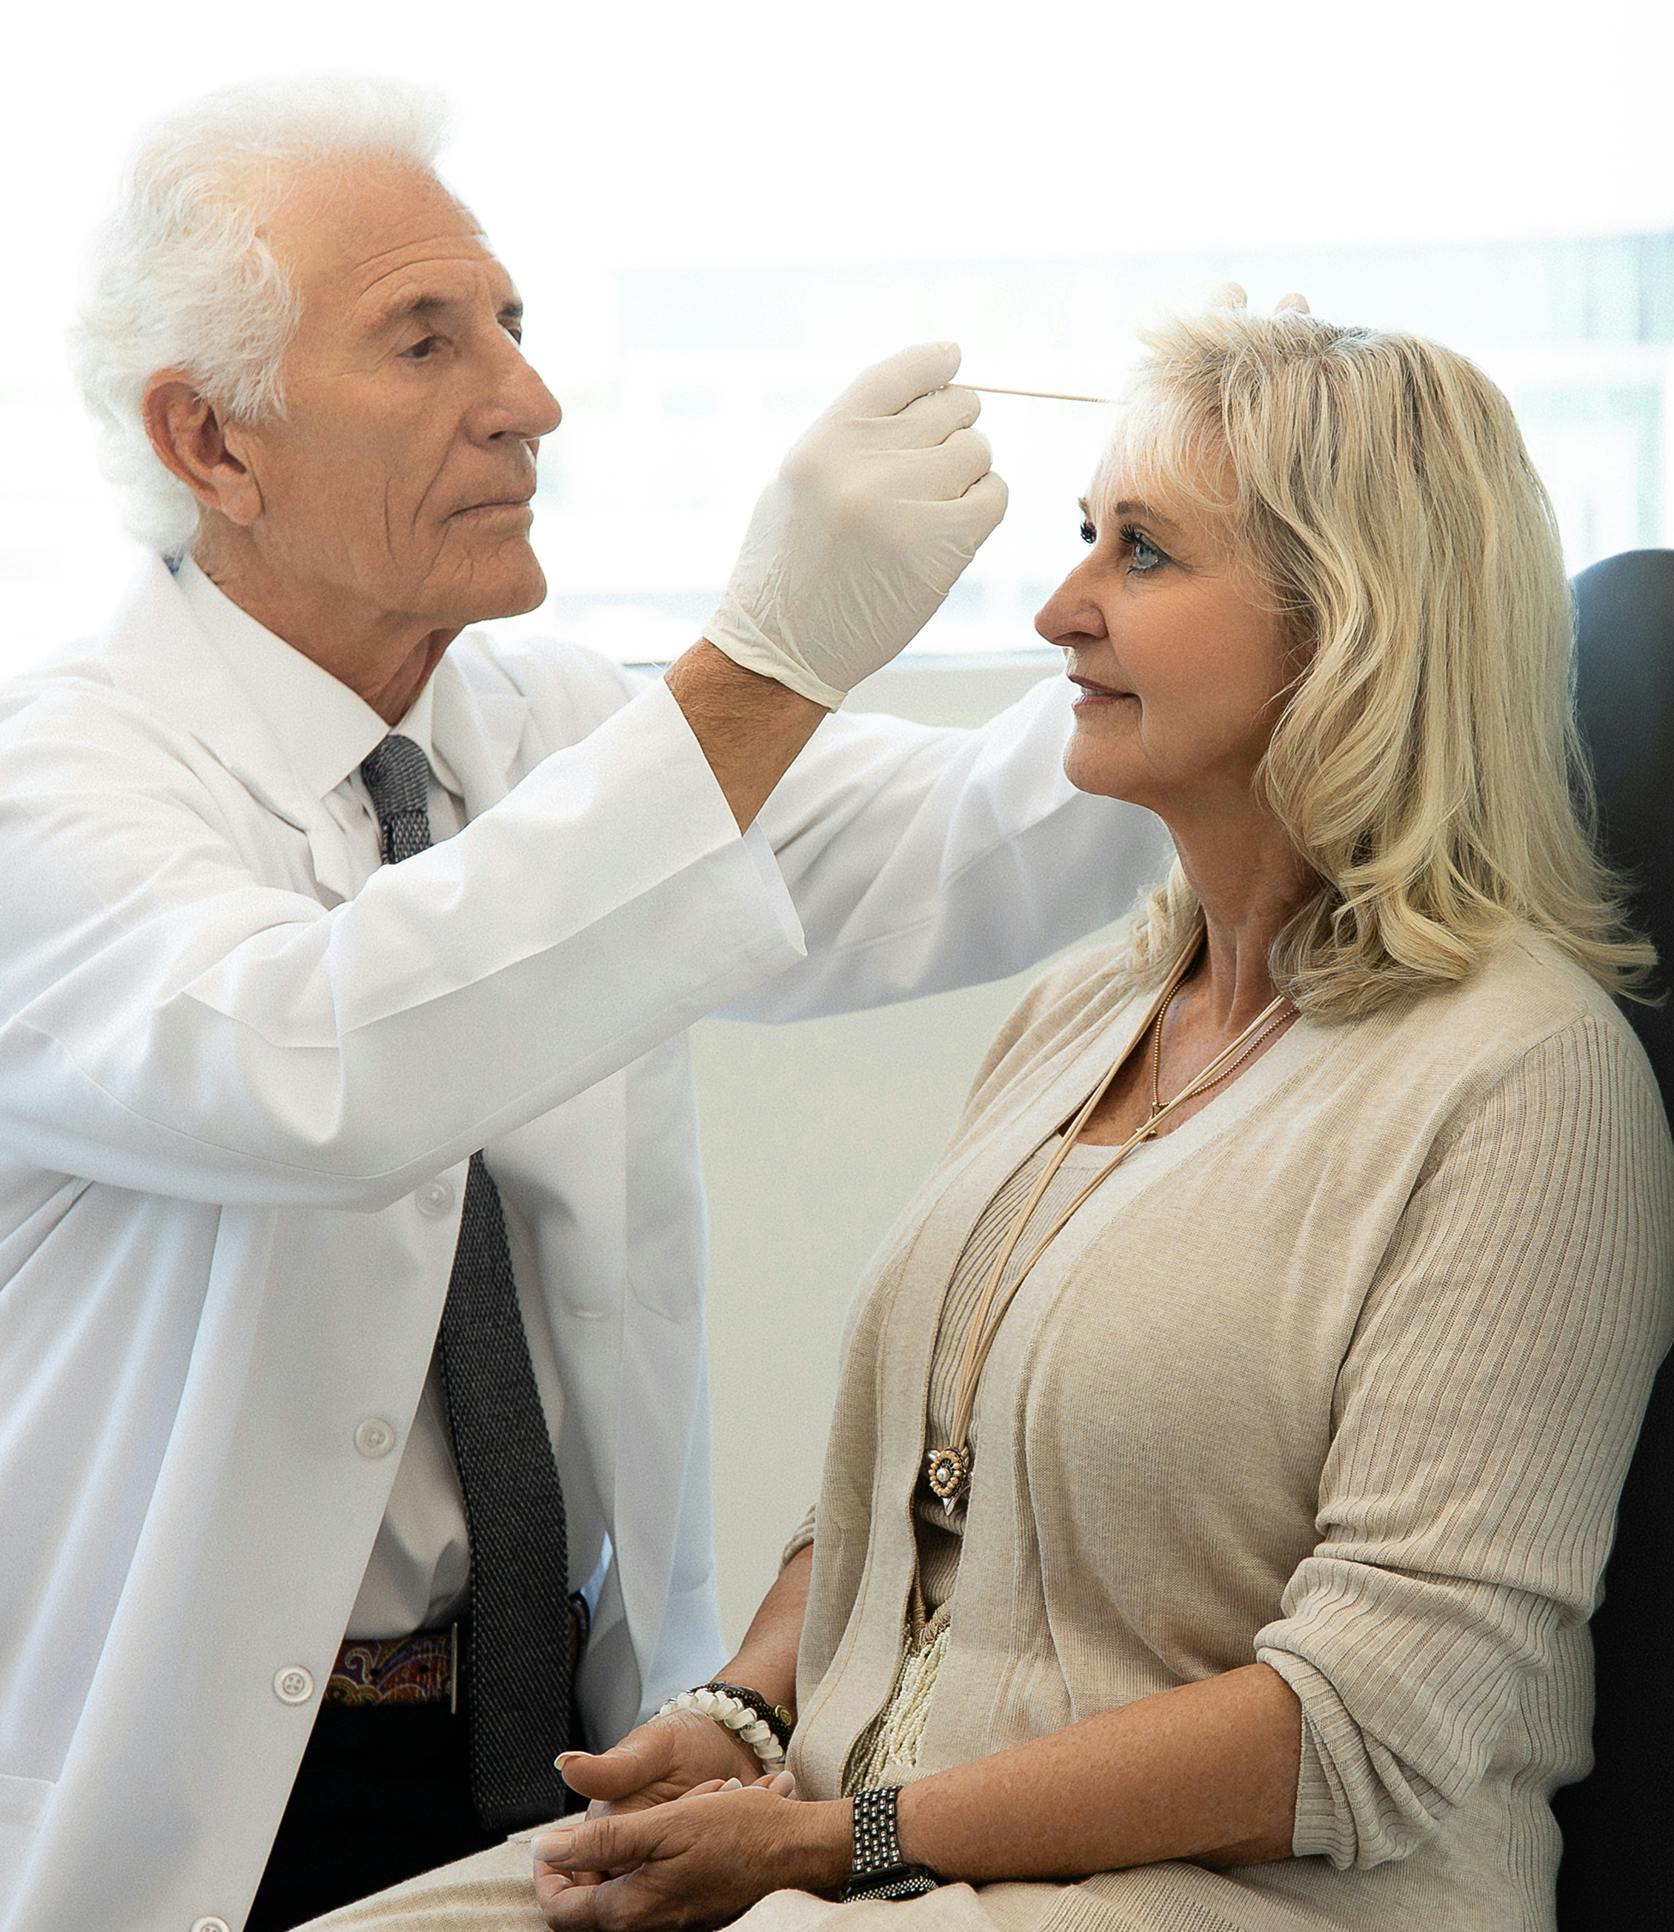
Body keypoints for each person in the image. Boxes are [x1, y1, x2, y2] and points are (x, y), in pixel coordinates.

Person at [308, 295, 1674, 1932]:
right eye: (1082, 538)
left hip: (1232, 1892)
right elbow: (896, 1495)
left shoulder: (1518, 1076)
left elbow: (1384, 1709)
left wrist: (838, 1844)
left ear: (1350, 627)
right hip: (879, 1846)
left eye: (1141, 556)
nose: (1055, 610)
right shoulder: (1086, 1013)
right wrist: (741, 1719)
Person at [0, 76, 1174, 1932]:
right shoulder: (49, 785)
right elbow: (324, 1065)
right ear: (209, 441)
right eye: (425, 339)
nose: (527, 398)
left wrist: (1201, 567)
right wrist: (764, 657)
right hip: (192, 1798)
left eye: (516, 326)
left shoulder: (538, 725)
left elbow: (970, 843)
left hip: (549, 1735)